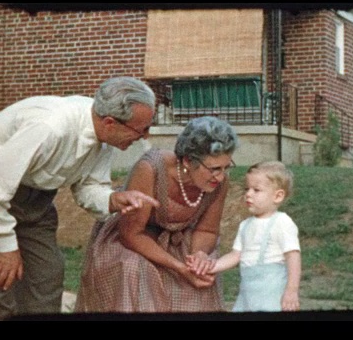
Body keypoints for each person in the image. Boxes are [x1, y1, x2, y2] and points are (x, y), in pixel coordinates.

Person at [0, 76, 161, 320]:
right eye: (140, 129)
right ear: (111, 122)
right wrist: (6, 247)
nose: (144, 137)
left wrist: (114, 199)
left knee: (47, 274)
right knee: (1, 283)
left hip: (35, 199)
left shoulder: (104, 138)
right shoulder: (50, 127)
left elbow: (88, 187)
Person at [74, 116, 239, 313]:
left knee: (200, 279)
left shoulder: (220, 182)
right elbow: (131, 234)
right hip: (133, 239)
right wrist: (179, 267)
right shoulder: (151, 168)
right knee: (134, 270)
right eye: (214, 169)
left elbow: (207, 230)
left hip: (179, 240)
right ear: (188, 160)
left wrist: (198, 256)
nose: (220, 176)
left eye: (226, 167)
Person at [187, 161, 301, 312]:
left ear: (278, 196)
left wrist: (291, 291)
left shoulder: (282, 222)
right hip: (248, 296)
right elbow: (236, 255)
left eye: (256, 190)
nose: (248, 194)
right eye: (247, 189)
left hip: (273, 295)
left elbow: (293, 257)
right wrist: (210, 267)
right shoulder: (245, 225)